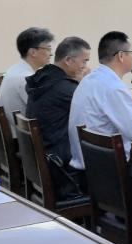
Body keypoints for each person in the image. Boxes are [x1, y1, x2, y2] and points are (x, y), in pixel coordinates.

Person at [67, 31, 132, 169]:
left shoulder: (88, 80)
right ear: (121, 56)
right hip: (108, 171)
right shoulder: (113, 87)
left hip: (86, 167)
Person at [25, 36, 91, 197]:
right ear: (68, 60)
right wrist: (84, 84)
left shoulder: (43, 78)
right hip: (61, 168)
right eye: (84, 61)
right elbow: (95, 113)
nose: (85, 67)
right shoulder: (65, 88)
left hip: (44, 158)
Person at [0, 27, 55, 123]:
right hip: (22, 131)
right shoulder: (26, 78)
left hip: (16, 128)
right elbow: (45, 113)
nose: (51, 54)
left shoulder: (15, 69)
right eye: (48, 49)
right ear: (33, 52)